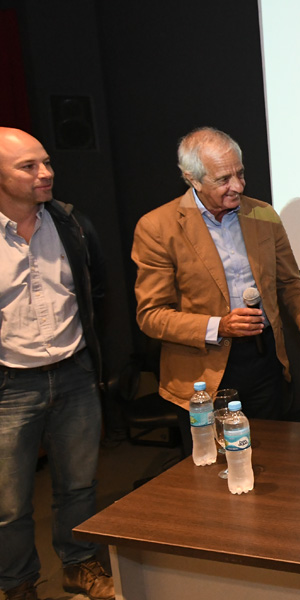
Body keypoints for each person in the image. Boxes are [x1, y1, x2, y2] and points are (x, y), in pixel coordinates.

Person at [132, 127, 300, 437]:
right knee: (212, 462)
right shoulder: (157, 227)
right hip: (203, 376)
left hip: (266, 363)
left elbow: (290, 284)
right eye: (223, 180)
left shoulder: (263, 215)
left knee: (275, 454)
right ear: (192, 178)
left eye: (240, 174)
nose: (238, 186)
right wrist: (220, 326)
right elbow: (151, 316)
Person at [0, 128, 113, 600]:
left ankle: (79, 565)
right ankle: (18, 585)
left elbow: (97, 292)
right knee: (9, 503)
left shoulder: (72, 224)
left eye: (46, 162)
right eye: (28, 167)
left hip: (74, 374)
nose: (45, 173)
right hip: (10, 385)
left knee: (79, 486)